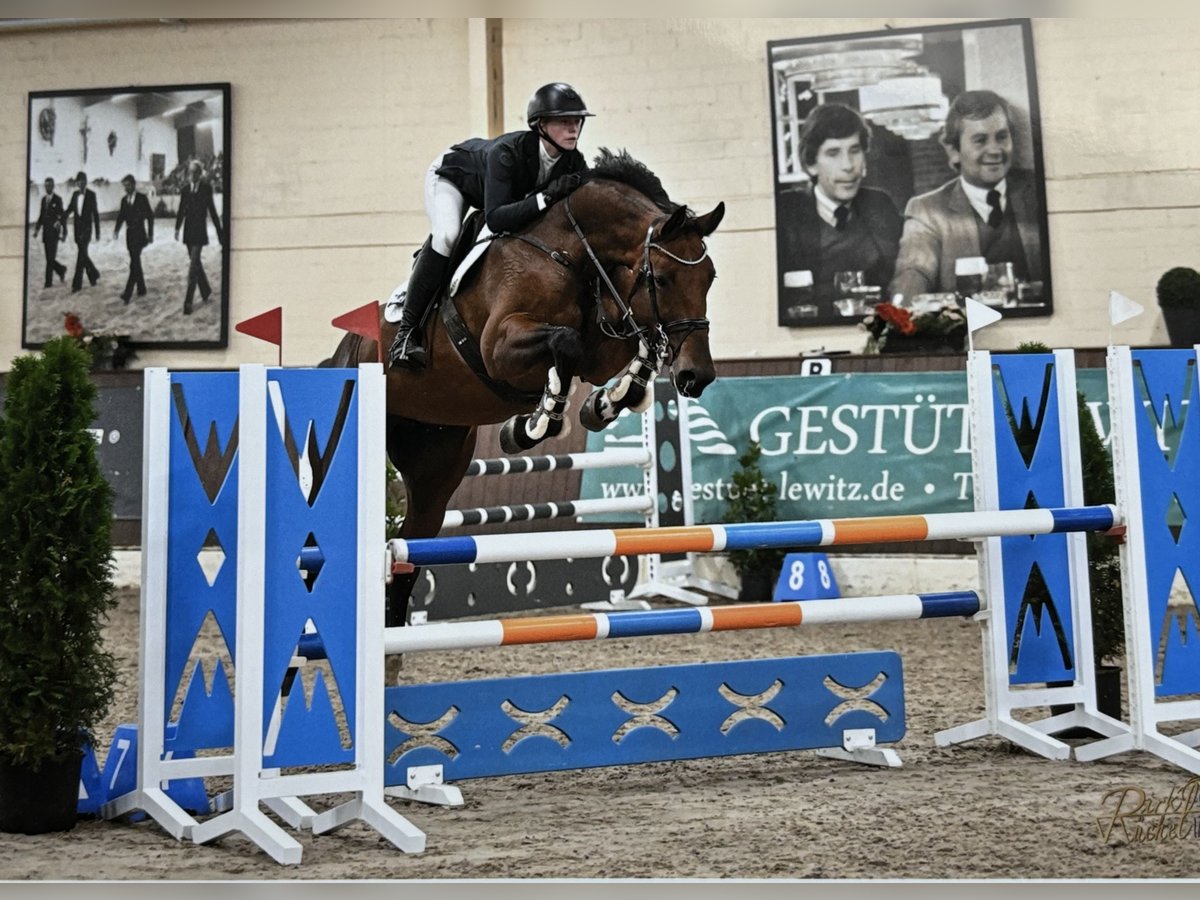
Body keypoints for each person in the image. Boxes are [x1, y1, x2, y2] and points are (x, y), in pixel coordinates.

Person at [387, 81, 594, 370]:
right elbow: (496, 218)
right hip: (453, 178)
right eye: (564, 122)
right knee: (447, 235)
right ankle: (406, 333)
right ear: (541, 125)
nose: (573, 129)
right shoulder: (507, 152)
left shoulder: (573, 162)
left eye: (577, 122)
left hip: (495, 196)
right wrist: (547, 196)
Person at [889, 89, 1045, 302]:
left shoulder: (1038, 192)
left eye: (1001, 137)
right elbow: (914, 270)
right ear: (954, 150)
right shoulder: (928, 209)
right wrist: (901, 309)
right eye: (980, 140)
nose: (995, 150)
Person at [775, 103, 902, 318]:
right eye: (833, 153)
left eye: (855, 151)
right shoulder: (787, 212)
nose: (848, 165)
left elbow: (899, 277)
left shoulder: (879, 205)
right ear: (811, 164)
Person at [174, 159, 224, 315]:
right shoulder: (185, 190)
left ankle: (188, 302)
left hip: (200, 231)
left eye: (196, 172)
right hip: (188, 231)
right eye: (190, 172)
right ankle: (206, 290)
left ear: (200, 173)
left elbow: (213, 211)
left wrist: (219, 232)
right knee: (195, 263)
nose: (192, 175)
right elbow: (182, 209)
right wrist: (177, 228)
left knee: (193, 264)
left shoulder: (206, 189)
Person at [113, 174, 154, 302]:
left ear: (134, 184)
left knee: (134, 262)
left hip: (140, 234)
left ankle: (128, 293)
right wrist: (116, 229)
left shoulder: (142, 198)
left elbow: (150, 216)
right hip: (129, 235)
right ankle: (141, 288)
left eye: (128, 185)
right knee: (135, 261)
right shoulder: (124, 200)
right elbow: (121, 216)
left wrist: (151, 234)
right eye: (125, 186)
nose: (126, 188)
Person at [64, 170, 101, 293]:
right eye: (78, 182)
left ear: (86, 182)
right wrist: (61, 218)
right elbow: (70, 209)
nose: (80, 184)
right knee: (83, 255)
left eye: (82, 182)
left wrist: (97, 232)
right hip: (77, 230)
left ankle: (77, 284)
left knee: (81, 256)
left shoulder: (91, 195)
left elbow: (95, 214)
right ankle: (93, 274)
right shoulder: (75, 195)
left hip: (87, 230)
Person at [32, 176, 67, 288]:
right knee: (49, 258)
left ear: (53, 186)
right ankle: (61, 269)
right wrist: (37, 229)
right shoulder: (43, 200)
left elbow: (62, 216)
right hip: (46, 233)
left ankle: (48, 283)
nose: (48, 188)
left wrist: (62, 229)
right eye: (46, 185)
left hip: (54, 233)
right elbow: (41, 216)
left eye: (50, 185)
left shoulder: (58, 199)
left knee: (50, 258)